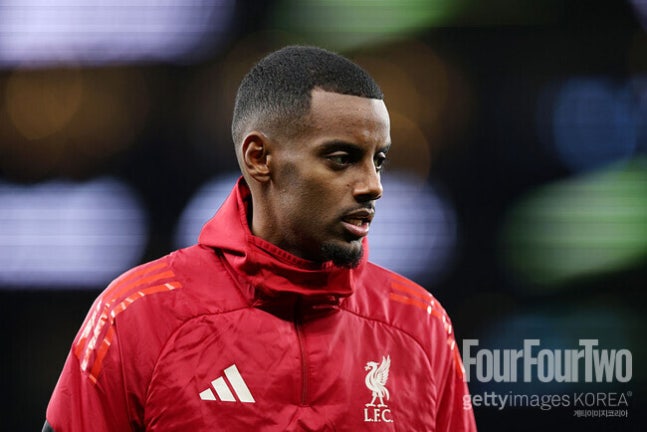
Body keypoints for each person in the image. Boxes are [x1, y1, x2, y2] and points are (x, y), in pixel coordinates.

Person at [43, 45, 477, 431]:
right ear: (259, 158)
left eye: (377, 161)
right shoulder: (135, 316)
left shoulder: (421, 325)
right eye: (342, 159)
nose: (373, 186)